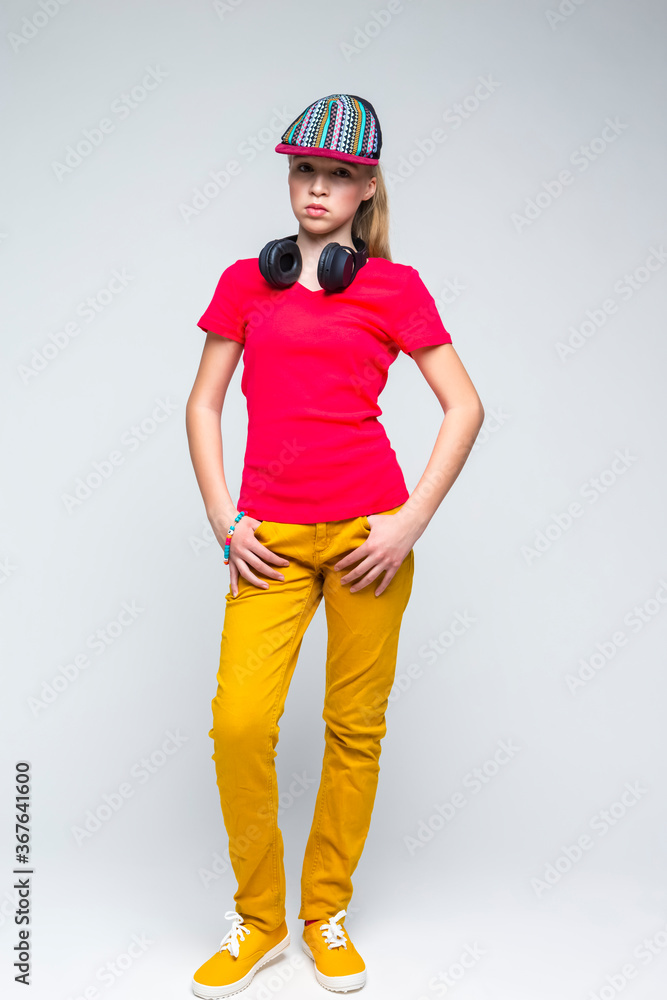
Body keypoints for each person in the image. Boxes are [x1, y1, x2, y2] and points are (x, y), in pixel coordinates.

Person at [185, 93, 485, 998]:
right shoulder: (247, 282)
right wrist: (223, 520)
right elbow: (202, 404)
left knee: (353, 730)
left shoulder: (395, 288)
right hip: (267, 540)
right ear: (290, 181)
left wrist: (410, 521)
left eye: (336, 176)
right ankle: (261, 920)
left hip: (367, 535)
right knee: (240, 724)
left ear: (365, 190)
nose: (316, 189)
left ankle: (324, 913)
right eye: (303, 172)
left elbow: (463, 406)